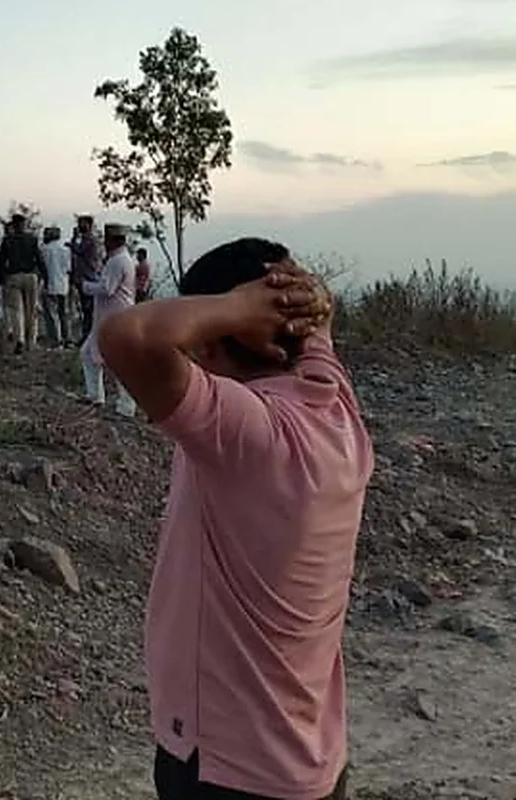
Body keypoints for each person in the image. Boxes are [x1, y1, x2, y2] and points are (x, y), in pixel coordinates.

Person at [96, 237, 371, 800]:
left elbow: (127, 337)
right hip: (311, 761)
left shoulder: (249, 433)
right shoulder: (334, 404)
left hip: (227, 768)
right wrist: (296, 301)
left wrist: (237, 306)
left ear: (215, 340)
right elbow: (318, 323)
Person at [79, 223, 137, 416]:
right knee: (88, 353)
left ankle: (126, 407)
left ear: (112, 240)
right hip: (110, 317)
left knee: (119, 362)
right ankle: (95, 395)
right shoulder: (121, 259)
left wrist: (85, 286)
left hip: (114, 318)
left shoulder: (117, 261)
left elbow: (107, 289)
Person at [0, 213, 43, 354]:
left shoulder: (7, 240)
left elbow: (1, 261)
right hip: (30, 276)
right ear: (24, 224)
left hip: (13, 277)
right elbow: (39, 259)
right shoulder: (32, 239)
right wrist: (44, 277)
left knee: (16, 311)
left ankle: (19, 339)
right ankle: (31, 342)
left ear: (13, 225)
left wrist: (1, 279)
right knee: (31, 311)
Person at [69, 215, 102, 343]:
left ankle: (89, 336)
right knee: (86, 309)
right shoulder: (85, 239)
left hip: (89, 279)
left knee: (89, 309)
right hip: (85, 278)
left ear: (89, 225)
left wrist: (73, 240)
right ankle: (87, 335)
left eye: (82, 223)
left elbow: (79, 250)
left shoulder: (89, 240)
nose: (80, 226)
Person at [40, 226, 71, 347]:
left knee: (51, 314)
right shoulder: (66, 250)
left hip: (49, 284)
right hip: (63, 284)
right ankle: (66, 338)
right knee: (64, 313)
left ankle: (56, 339)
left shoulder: (44, 249)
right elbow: (68, 268)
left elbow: (42, 268)